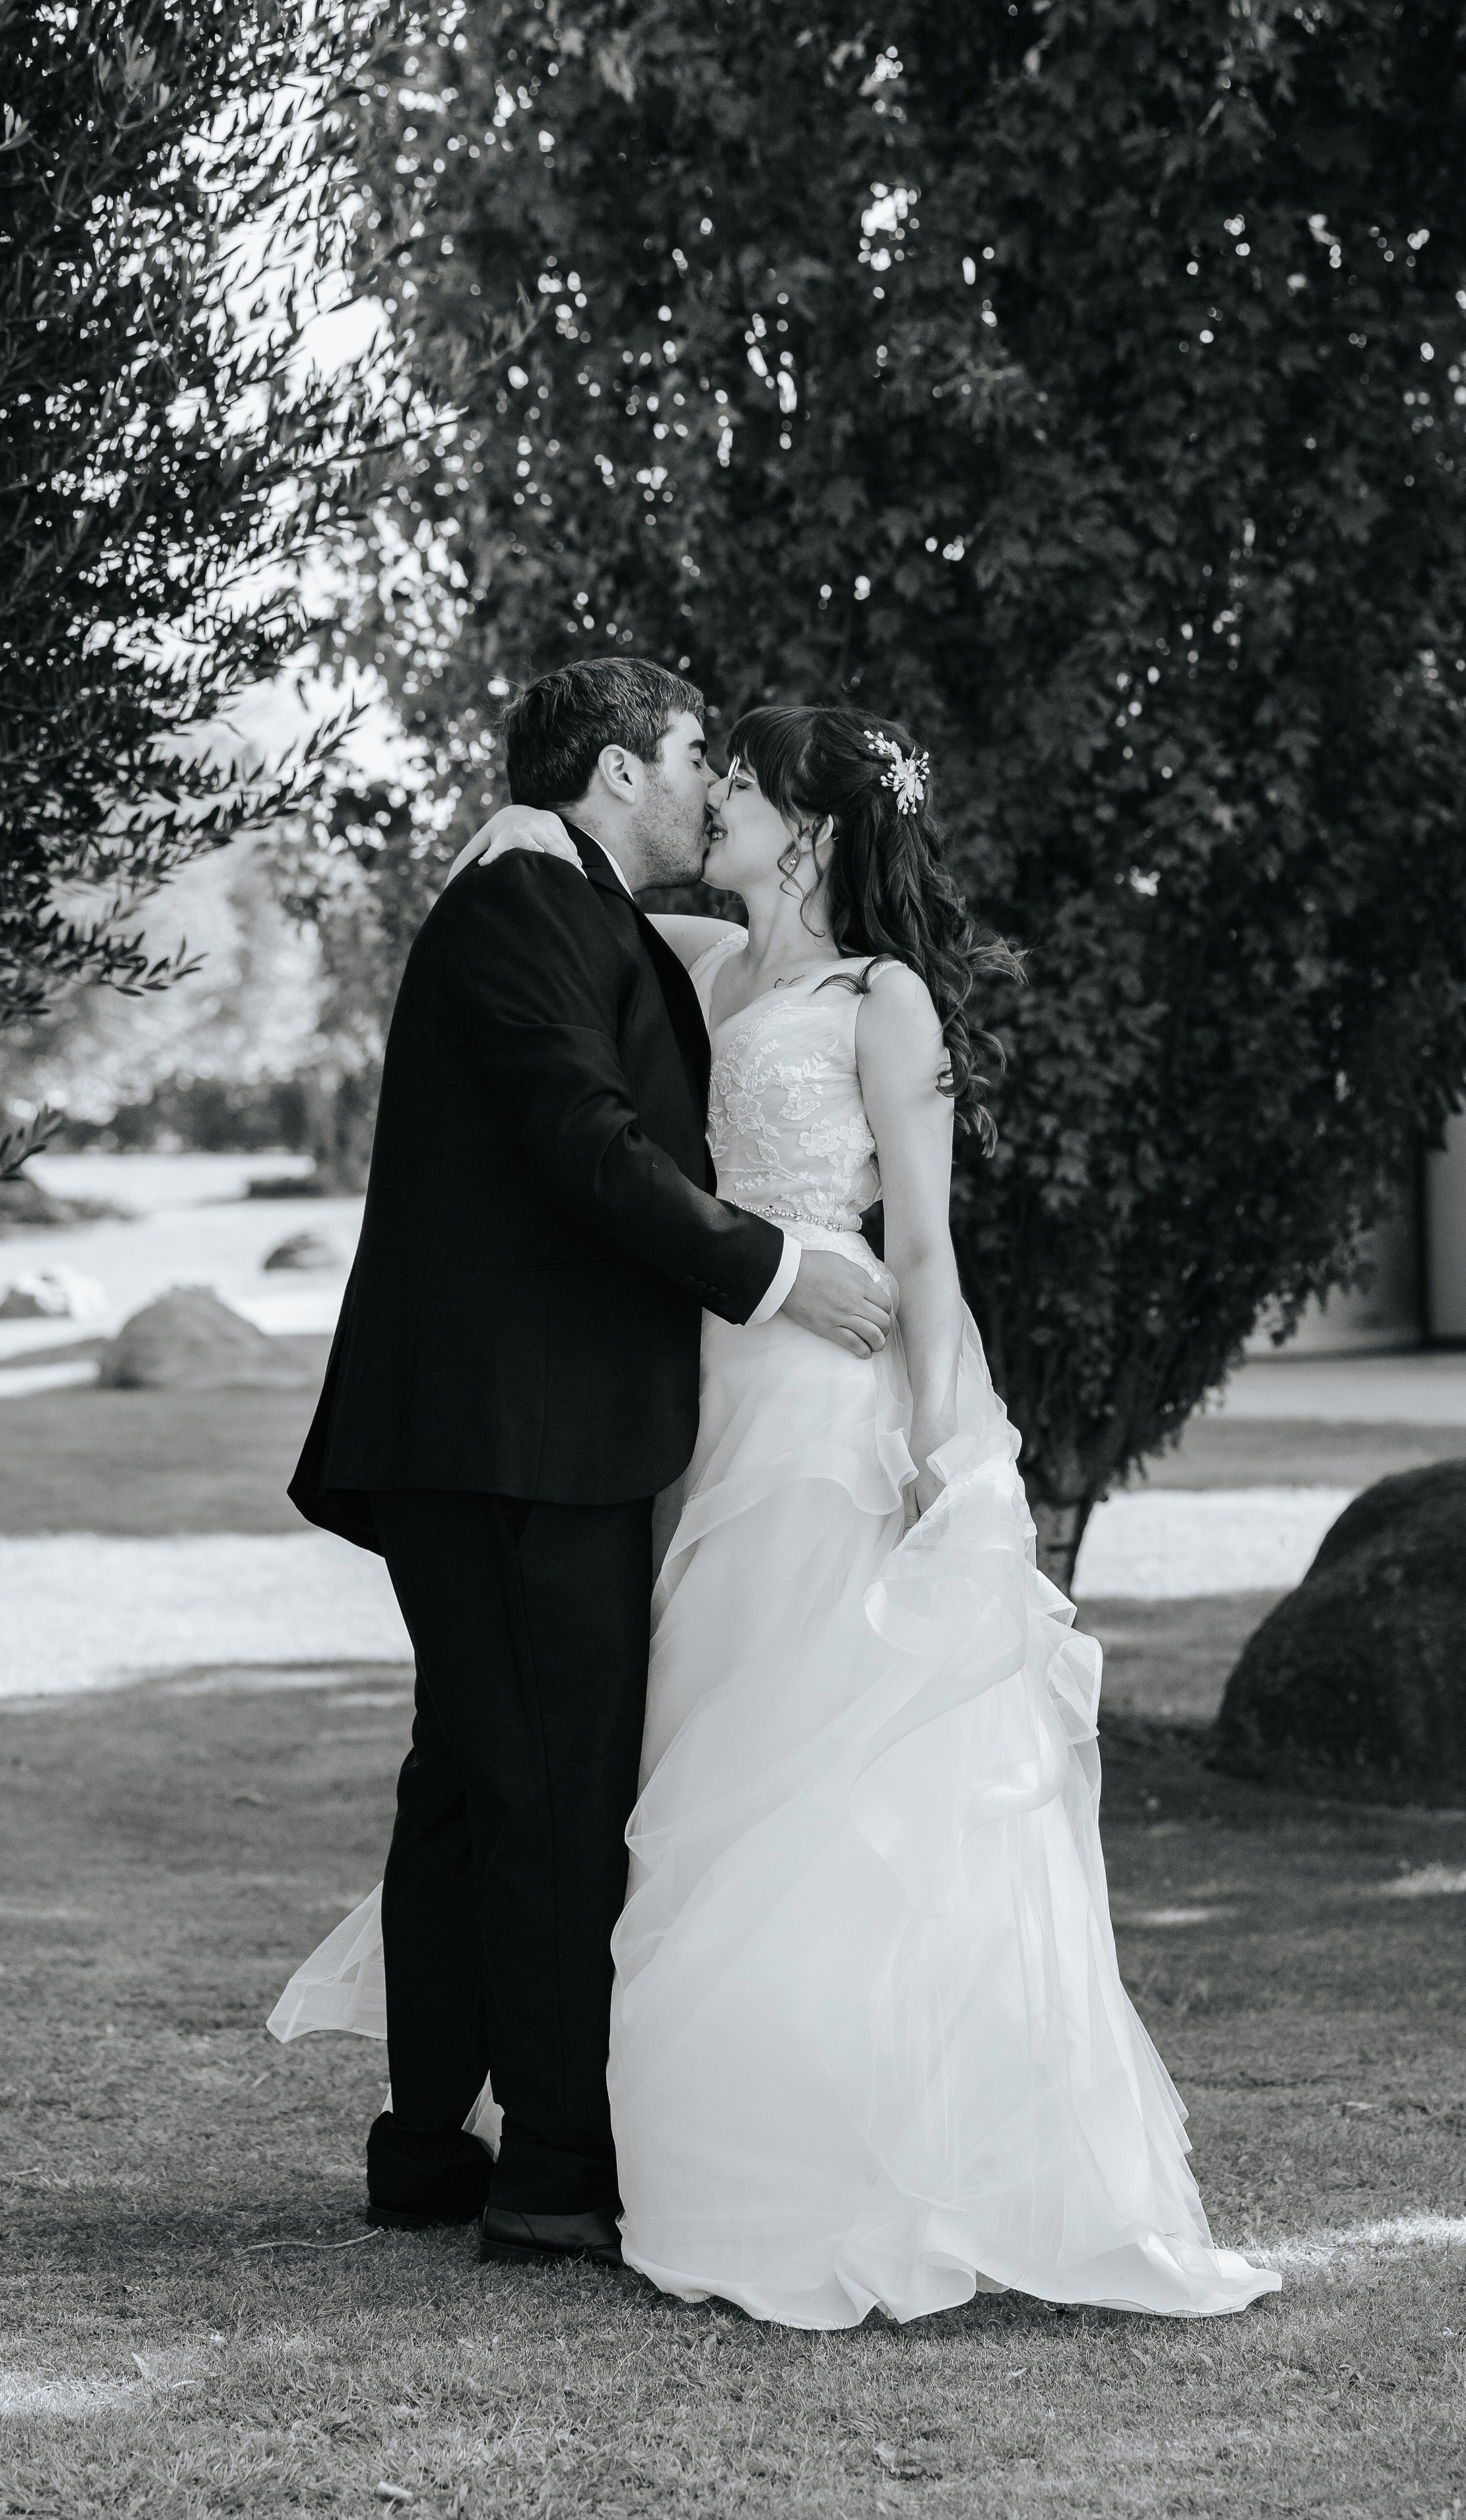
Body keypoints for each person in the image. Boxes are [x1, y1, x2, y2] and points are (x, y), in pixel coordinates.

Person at [279, 659, 892, 2269]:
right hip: (518, 1437)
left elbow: (731, 975)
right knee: (549, 1784)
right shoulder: (526, 901)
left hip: (507, 1430)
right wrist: (773, 1268)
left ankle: (427, 2142)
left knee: (472, 1778)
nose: (708, 781)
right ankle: (552, 2168)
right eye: (691, 753)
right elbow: (583, 1137)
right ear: (618, 770)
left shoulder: (566, 896)